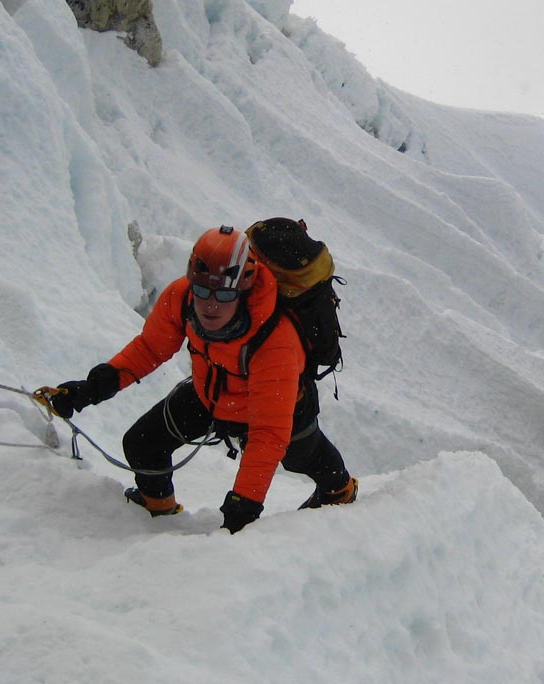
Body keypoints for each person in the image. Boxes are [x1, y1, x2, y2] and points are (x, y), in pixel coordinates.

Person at [45, 225, 357, 533]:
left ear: (244, 289)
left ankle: (338, 490)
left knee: (305, 457)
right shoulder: (181, 298)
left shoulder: (275, 340)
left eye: (222, 294)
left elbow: (268, 434)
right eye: (203, 290)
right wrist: (90, 390)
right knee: (142, 444)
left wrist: (244, 507)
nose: (209, 304)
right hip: (210, 396)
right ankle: (156, 512)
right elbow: (150, 348)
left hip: (281, 409)